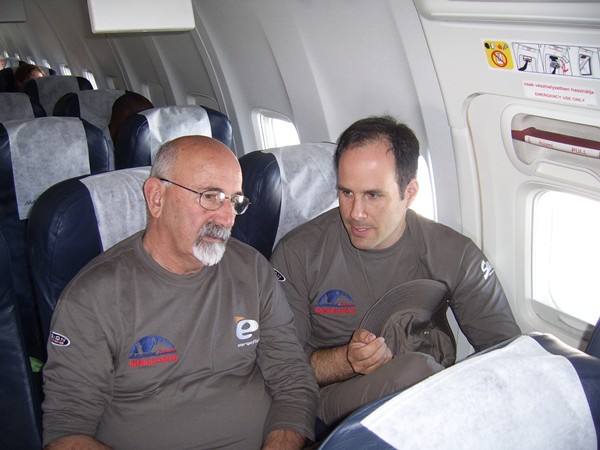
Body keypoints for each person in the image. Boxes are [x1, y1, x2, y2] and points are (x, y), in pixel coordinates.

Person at [42, 135, 319, 449]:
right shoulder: (93, 297)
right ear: (156, 198)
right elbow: (66, 432)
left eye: (234, 200)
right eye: (210, 196)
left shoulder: (252, 269)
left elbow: (293, 379)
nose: (228, 218)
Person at [269, 115, 522, 429]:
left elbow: (507, 352)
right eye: (346, 193)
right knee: (415, 372)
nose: (355, 213)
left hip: (429, 391)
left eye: (373, 195)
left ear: (409, 193)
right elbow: (282, 370)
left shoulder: (453, 253)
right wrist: (347, 359)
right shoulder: (298, 253)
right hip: (334, 399)